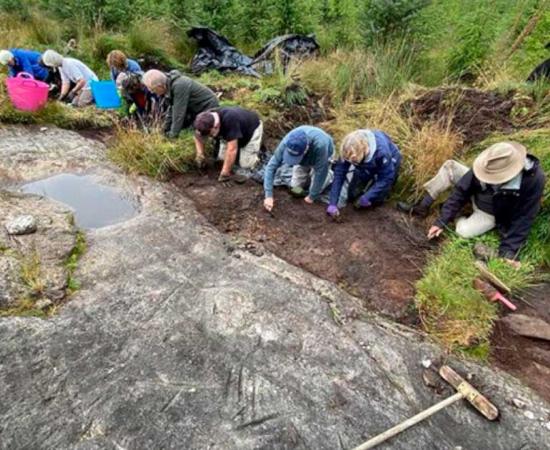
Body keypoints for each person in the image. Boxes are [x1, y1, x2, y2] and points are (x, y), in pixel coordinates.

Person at [397, 142, 546, 264]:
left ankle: (461, 214)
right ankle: (423, 206)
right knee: (450, 166)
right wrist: (441, 221)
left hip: (491, 211)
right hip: (477, 192)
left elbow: (524, 217)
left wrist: (509, 252)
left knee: (463, 231)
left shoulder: (533, 180)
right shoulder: (491, 160)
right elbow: (461, 190)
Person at [326, 129, 401, 218]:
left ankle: (376, 199)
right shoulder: (348, 149)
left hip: (389, 161)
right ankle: (361, 195)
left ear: (364, 150)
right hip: (363, 163)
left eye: (353, 160)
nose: (350, 163)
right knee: (352, 195)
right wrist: (333, 203)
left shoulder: (382, 152)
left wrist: (368, 196)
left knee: (377, 197)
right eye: (349, 160)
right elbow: (339, 174)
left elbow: (386, 178)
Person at [263, 126, 334, 212]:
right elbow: (271, 167)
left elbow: (320, 172)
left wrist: (312, 196)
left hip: (323, 156)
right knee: (295, 189)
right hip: (303, 160)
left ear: (306, 149)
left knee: (318, 184)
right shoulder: (287, 142)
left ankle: (329, 175)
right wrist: (268, 196)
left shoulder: (320, 146)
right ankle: (306, 175)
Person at [142, 69, 219, 139]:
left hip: (207, 107)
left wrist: (172, 136)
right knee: (183, 127)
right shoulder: (169, 86)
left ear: (160, 86)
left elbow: (179, 113)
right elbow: (171, 109)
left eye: (152, 89)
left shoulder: (179, 86)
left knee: (196, 132)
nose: (151, 92)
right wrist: (164, 129)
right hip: (194, 109)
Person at [193, 107, 263, 182]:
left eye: (209, 134)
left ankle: (259, 157)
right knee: (221, 160)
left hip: (251, 130)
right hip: (229, 132)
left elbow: (232, 149)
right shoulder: (202, 120)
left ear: (216, 126)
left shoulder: (230, 120)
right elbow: (197, 136)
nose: (208, 137)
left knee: (246, 166)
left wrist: (225, 173)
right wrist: (200, 155)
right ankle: (236, 149)